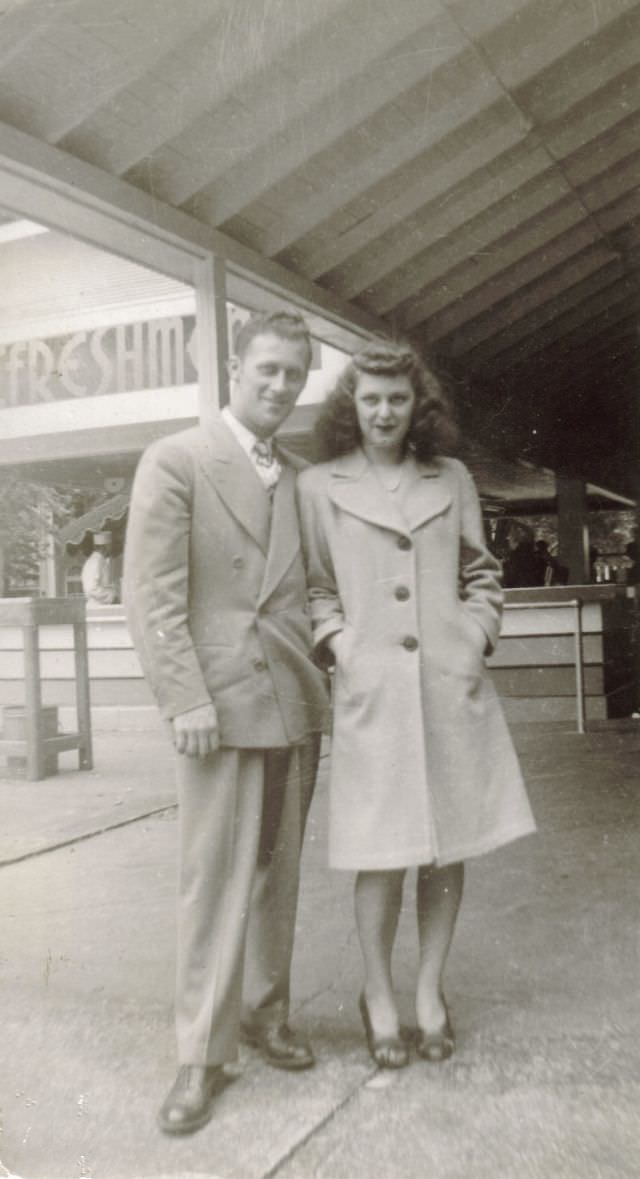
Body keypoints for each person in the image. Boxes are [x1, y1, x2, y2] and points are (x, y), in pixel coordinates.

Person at [297, 341, 536, 1069]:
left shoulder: (452, 477)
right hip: (372, 694)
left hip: (446, 689)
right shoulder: (318, 487)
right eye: (370, 398)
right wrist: (342, 646)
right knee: (381, 853)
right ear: (351, 404)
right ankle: (378, 993)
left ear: (417, 404)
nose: (383, 411)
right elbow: (314, 587)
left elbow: (483, 573)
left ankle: (429, 991)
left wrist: (473, 637)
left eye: (397, 398)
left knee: (446, 844)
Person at [123, 310, 329, 1134]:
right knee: (213, 884)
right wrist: (185, 699)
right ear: (233, 367)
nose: (280, 386)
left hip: (292, 700)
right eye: (267, 369)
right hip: (219, 707)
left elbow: (312, 587)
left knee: (279, 874)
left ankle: (264, 1012)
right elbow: (153, 596)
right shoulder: (177, 460)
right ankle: (200, 1054)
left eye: (294, 374)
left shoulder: (303, 476)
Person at [81, 531, 117, 603]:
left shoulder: (100, 560)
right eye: (110, 545)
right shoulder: (95, 561)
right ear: (105, 546)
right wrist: (111, 595)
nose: (112, 548)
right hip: (97, 607)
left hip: (102, 605)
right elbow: (91, 589)